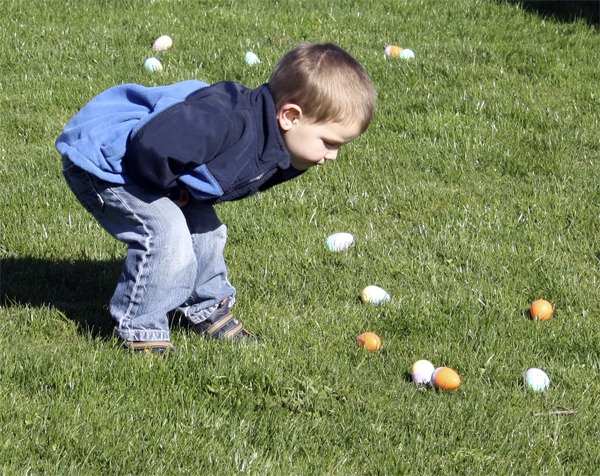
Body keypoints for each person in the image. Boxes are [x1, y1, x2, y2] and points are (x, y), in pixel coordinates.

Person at [57, 42, 377, 355]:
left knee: (206, 231)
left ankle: (207, 310)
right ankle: (140, 329)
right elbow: (151, 146)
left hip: (160, 166)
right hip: (110, 164)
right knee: (166, 235)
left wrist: (182, 191)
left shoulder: (285, 146)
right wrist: (168, 190)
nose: (333, 156)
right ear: (290, 116)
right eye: (330, 143)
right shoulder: (222, 121)